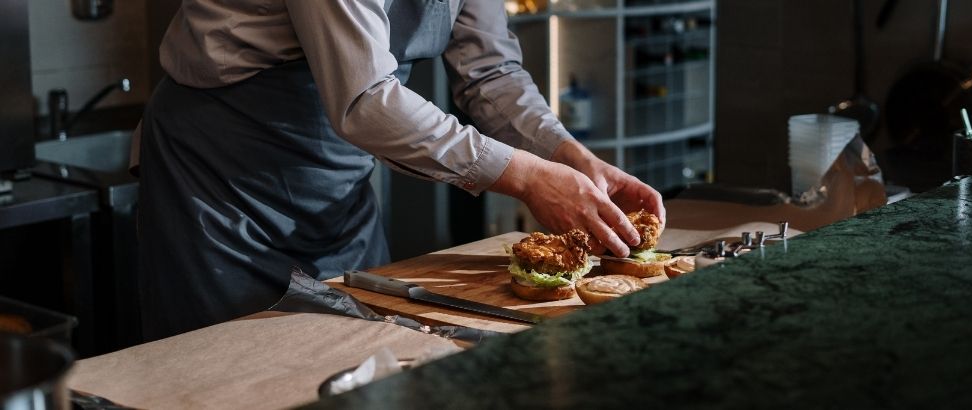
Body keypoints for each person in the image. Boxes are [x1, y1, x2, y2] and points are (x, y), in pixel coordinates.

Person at [133, 0, 665, 341]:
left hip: (336, 177)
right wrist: (526, 177)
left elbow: (491, 71)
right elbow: (364, 99)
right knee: (228, 368)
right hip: (221, 172)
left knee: (364, 351)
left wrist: (566, 153)